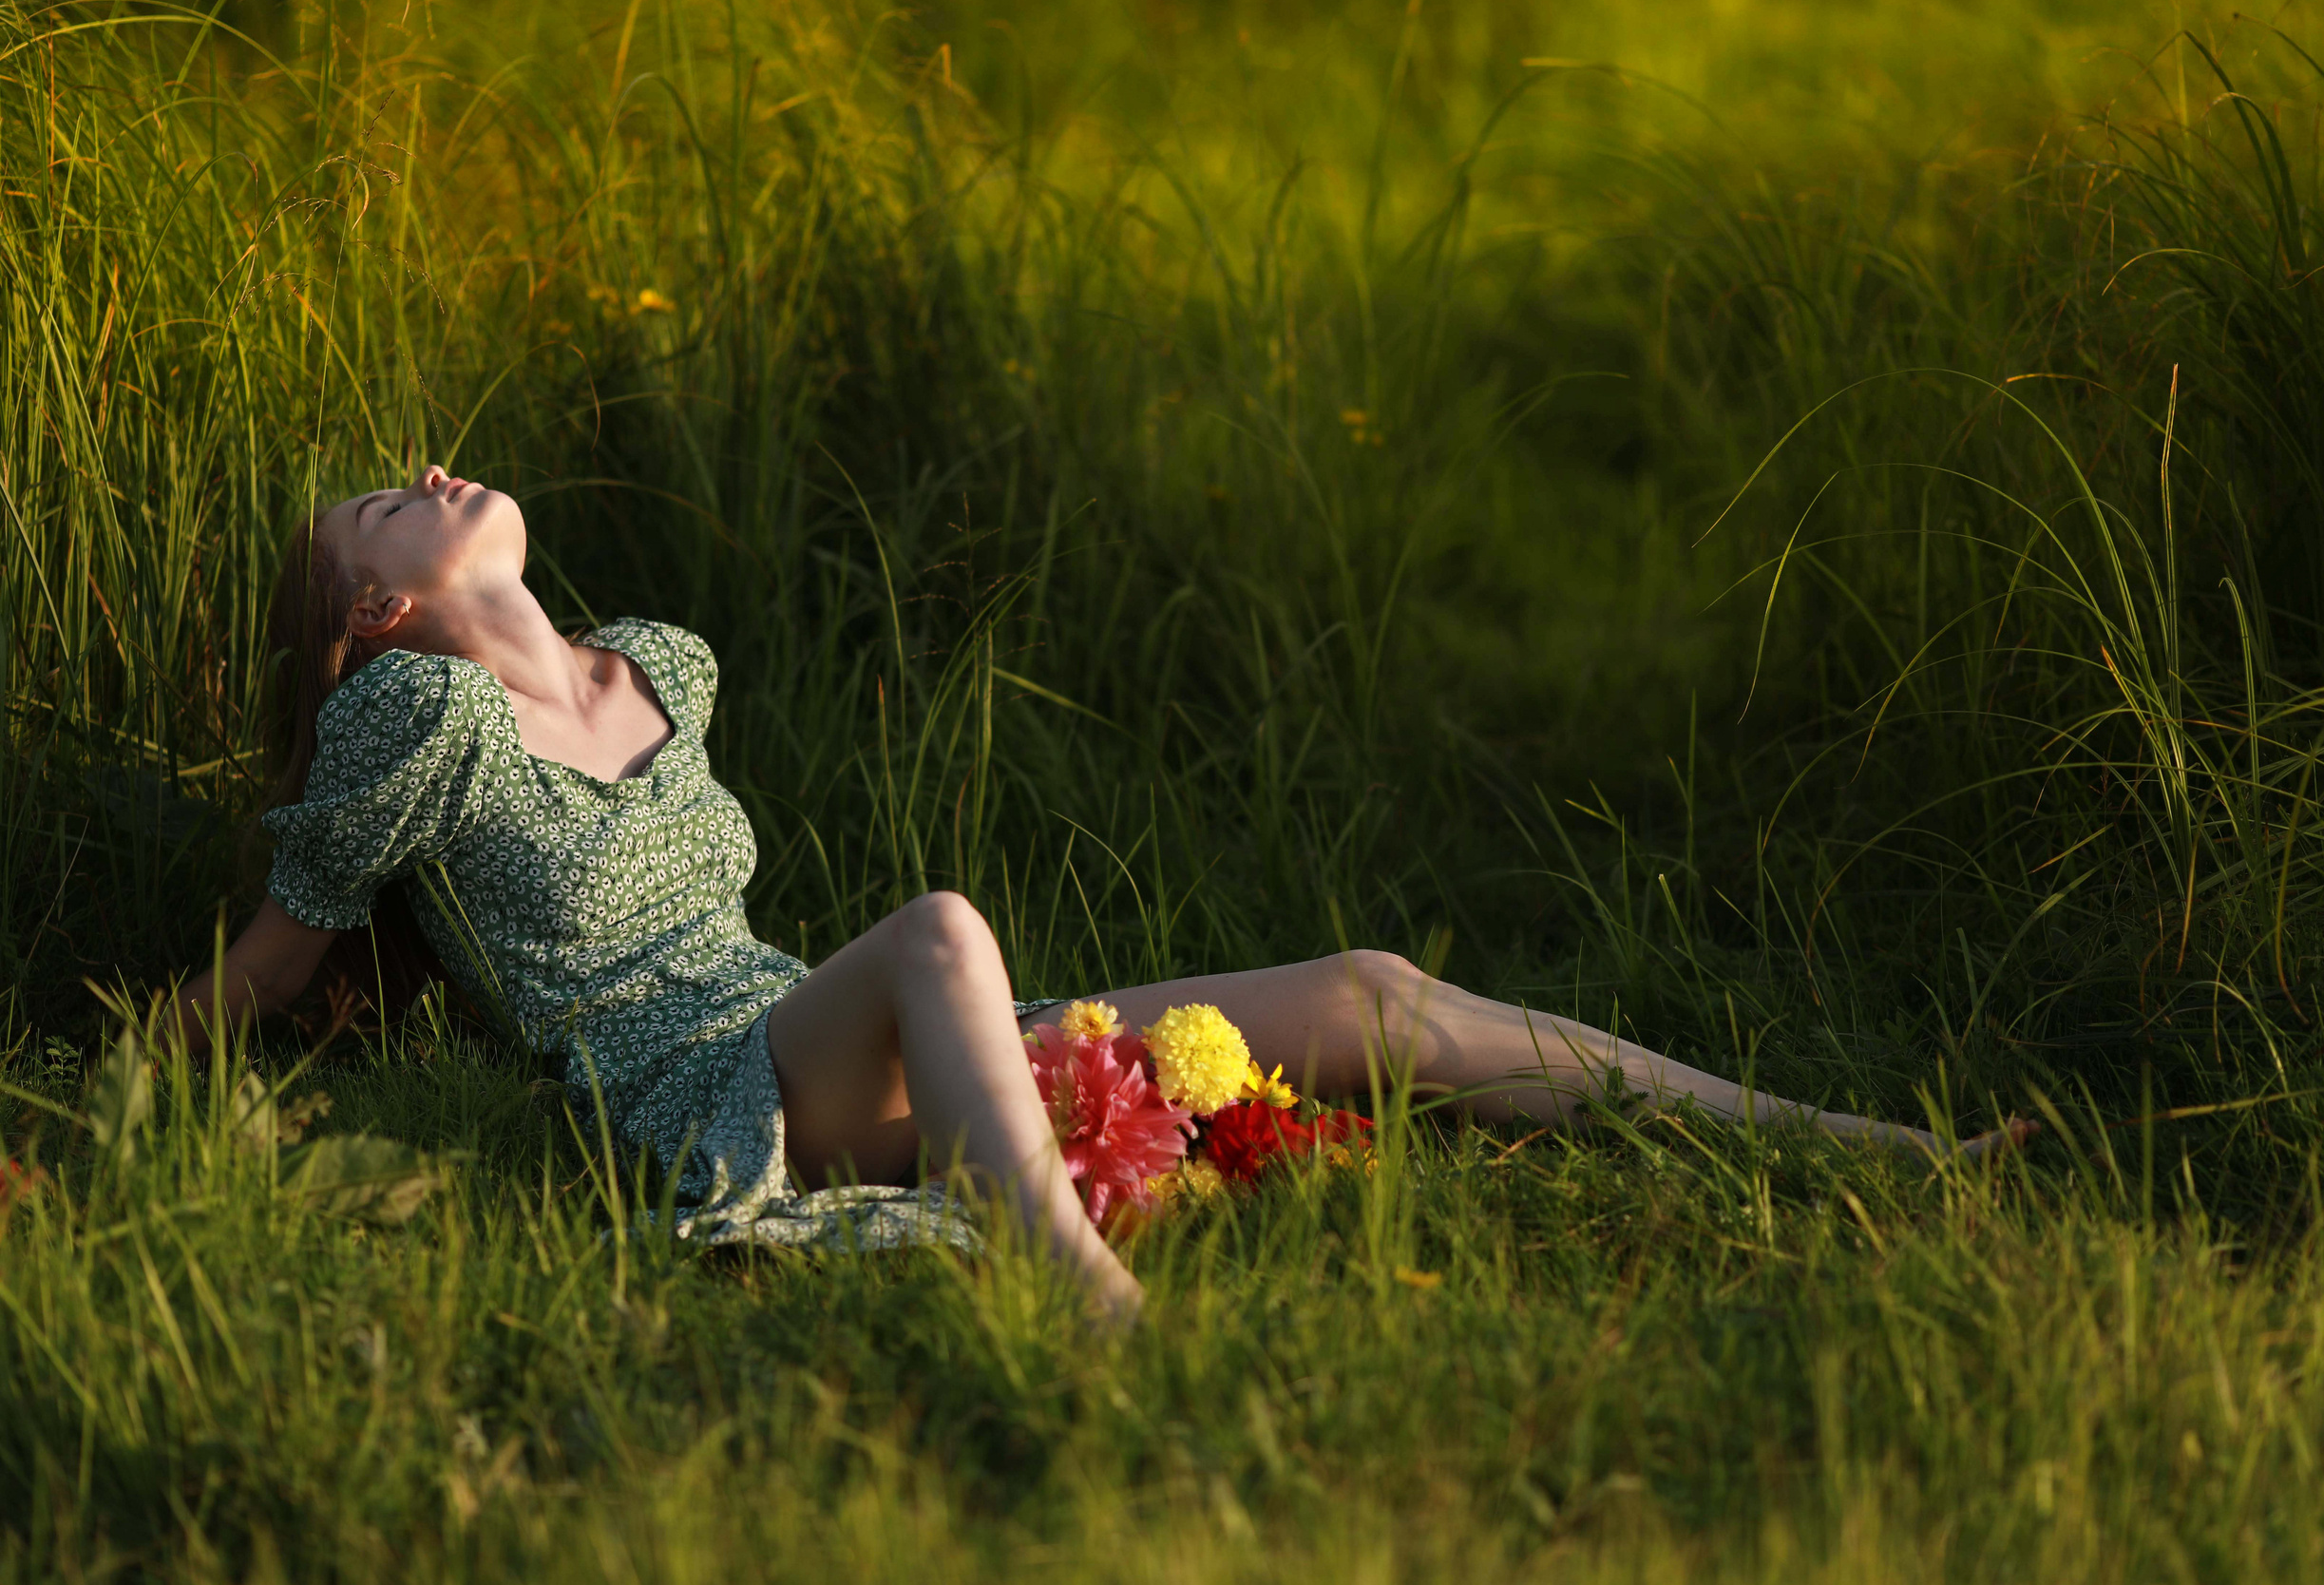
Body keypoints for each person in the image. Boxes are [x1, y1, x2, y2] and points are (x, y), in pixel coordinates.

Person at [173, 467, 2030, 1322]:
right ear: (376, 614)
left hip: (850, 1041)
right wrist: (117, 1065)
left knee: (1371, 986)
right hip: (697, 1088)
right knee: (940, 927)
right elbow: (272, 967)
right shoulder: (412, 712)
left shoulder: (660, 659)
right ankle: (1071, 1290)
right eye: (376, 508)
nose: (423, 473)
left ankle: (1848, 1141)